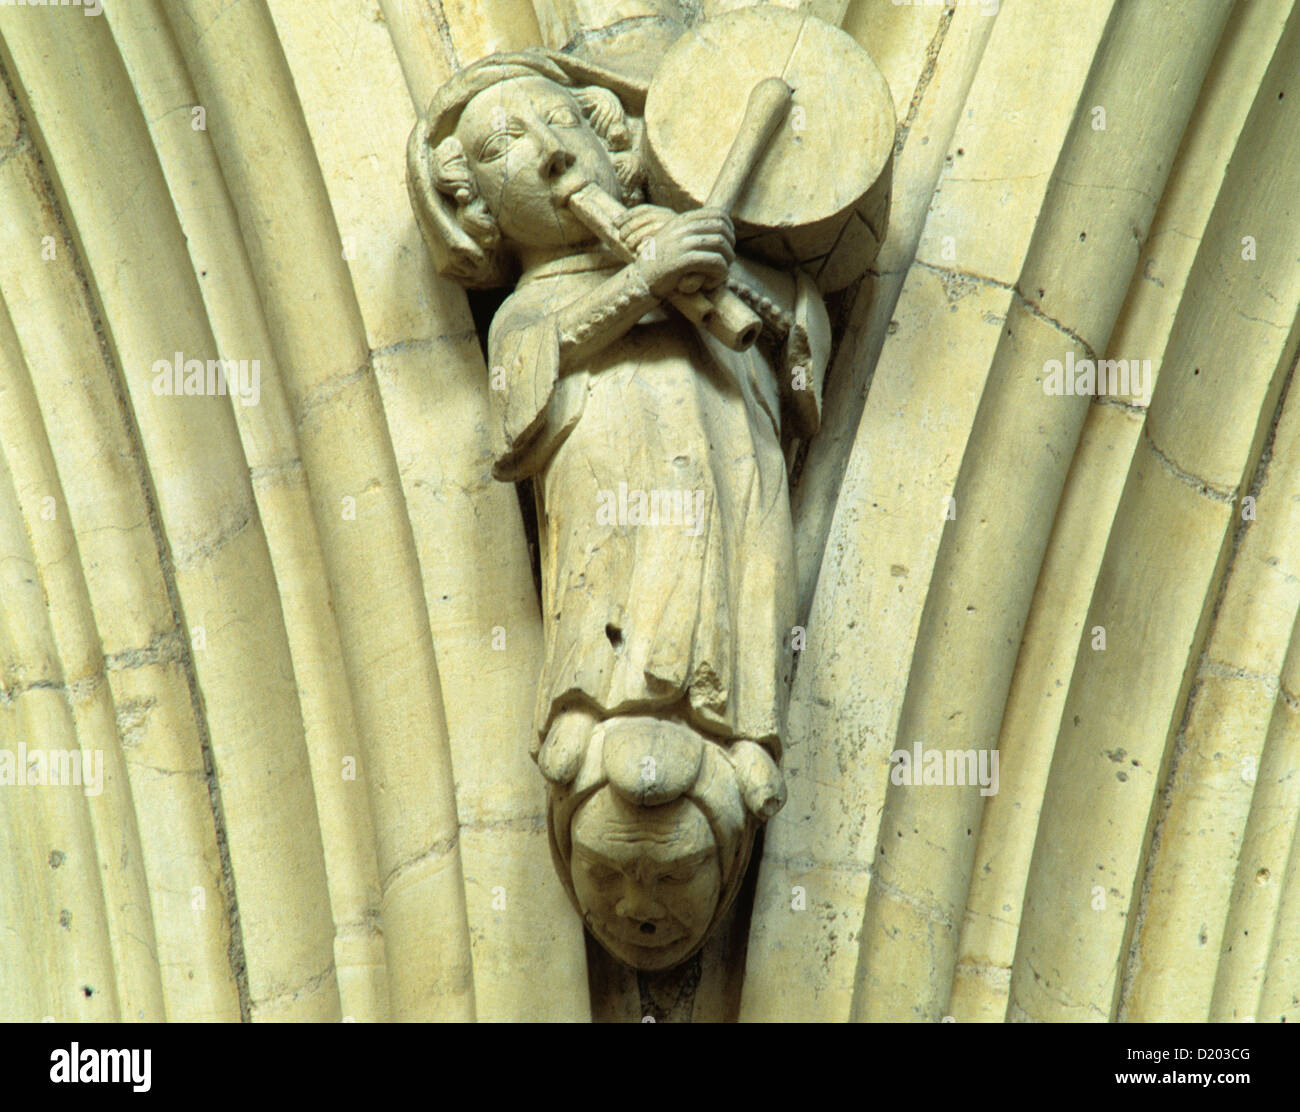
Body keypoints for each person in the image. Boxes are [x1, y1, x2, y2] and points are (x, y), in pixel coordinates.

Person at [408, 50, 830, 966]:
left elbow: (800, 386)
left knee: (740, 574)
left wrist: (757, 295)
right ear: (478, 209)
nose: (539, 146)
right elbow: (520, 403)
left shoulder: (717, 277)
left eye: (553, 120)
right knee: (601, 580)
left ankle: (743, 728)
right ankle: (585, 709)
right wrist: (645, 281)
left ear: (608, 132)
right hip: (609, 492)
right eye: (499, 146)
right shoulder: (530, 307)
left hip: (727, 473)